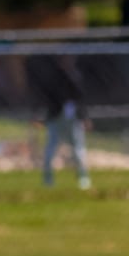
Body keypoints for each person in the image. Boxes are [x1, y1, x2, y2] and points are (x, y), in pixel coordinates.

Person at [30, 54, 93, 190]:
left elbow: (81, 100)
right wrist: (39, 116)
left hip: (73, 119)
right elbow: (45, 99)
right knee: (50, 150)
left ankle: (83, 176)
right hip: (56, 118)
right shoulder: (53, 79)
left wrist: (85, 118)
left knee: (78, 150)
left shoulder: (76, 77)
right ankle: (48, 179)